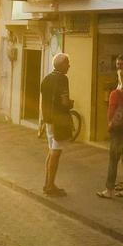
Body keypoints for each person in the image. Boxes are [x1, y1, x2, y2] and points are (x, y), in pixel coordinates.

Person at [97, 68, 123, 199]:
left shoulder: (115, 94)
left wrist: (110, 124)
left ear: (120, 79)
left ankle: (109, 190)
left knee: (113, 160)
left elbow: (110, 112)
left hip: (118, 131)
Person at [40, 52, 72, 197]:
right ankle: (51, 185)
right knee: (56, 153)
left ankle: (47, 183)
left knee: (51, 151)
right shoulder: (62, 79)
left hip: (48, 119)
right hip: (59, 120)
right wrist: (69, 105)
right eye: (67, 63)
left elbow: (42, 101)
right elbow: (64, 101)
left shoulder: (46, 79)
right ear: (62, 65)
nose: (69, 66)